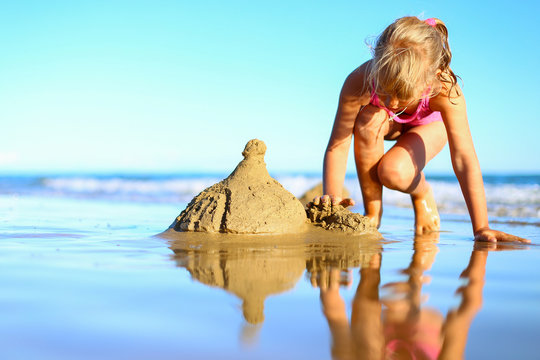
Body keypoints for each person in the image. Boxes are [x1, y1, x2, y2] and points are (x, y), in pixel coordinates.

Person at [314, 16, 529, 243]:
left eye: (403, 93)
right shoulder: (359, 80)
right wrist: (332, 201)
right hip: (388, 126)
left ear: (432, 77)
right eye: (386, 91)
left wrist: (481, 227)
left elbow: (464, 159)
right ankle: (374, 215)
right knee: (370, 117)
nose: (394, 103)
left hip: (430, 128)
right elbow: (338, 145)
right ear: (376, 66)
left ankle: (422, 192)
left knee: (392, 172)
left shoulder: (445, 89)